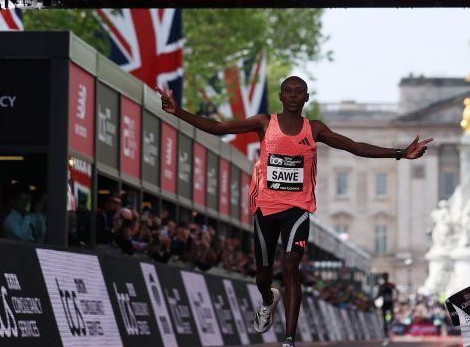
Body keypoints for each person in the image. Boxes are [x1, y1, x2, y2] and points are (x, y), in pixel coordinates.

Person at [157, 76, 432, 347]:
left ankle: (289, 339)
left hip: (297, 209)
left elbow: (355, 147)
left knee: (291, 268)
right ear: (280, 96)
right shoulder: (264, 123)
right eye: (287, 91)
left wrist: (400, 153)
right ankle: (267, 300)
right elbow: (218, 127)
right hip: (265, 208)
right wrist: (177, 111)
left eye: (298, 91)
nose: (292, 95)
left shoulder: (314, 129)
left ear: (306, 98)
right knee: (263, 277)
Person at [377, 273, 397, 345]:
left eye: (386, 277)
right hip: (384, 305)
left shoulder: (391, 285)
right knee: (385, 321)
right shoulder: (381, 286)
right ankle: (386, 335)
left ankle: (390, 324)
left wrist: (395, 298)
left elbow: (396, 292)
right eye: (384, 277)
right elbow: (378, 295)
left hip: (390, 304)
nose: (385, 278)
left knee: (391, 318)